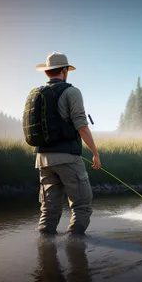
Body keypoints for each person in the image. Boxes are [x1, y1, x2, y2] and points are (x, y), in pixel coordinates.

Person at [34, 51, 101, 235]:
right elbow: (82, 126)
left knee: (48, 210)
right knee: (82, 206)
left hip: (42, 161)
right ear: (64, 70)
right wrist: (95, 154)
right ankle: (76, 251)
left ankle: (45, 254)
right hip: (68, 159)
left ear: (47, 72)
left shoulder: (37, 94)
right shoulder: (72, 91)